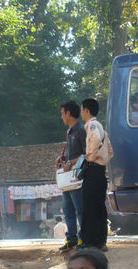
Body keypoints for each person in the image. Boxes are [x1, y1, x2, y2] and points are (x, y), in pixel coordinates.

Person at [80, 98, 114, 252]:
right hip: (100, 171)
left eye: (82, 110)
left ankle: (89, 242)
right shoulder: (101, 127)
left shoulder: (92, 125)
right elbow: (110, 150)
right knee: (100, 208)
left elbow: (95, 140)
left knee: (89, 207)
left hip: (93, 170)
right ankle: (101, 241)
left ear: (86, 110)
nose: (81, 113)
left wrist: (91, 158)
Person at [57, 100, 87, 253]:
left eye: (62, 113)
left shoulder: (81, 130)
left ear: (68, 113)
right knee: (68, 209)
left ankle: (83, 238)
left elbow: (87, 154)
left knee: (80, 208)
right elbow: (72, 154)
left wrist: (71, 162)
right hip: (68, 177)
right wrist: (62, 159)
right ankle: (71, 238)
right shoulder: (69, 132)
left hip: (77, 177)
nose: (61, 116)